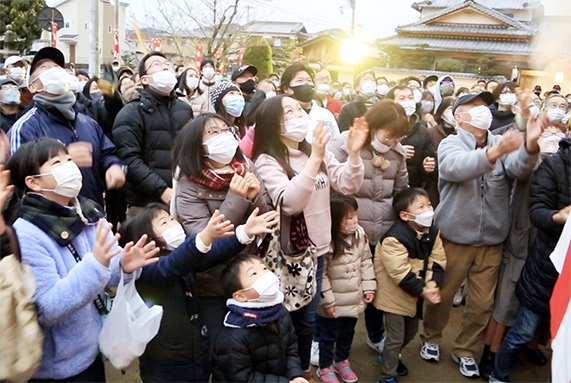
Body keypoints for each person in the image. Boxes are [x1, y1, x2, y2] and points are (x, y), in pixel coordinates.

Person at [7, 137, 159, 382]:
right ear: (33, 182)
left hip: (92, 348)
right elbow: (48, 308)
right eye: (57, 162)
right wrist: (96, 264)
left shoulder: (86, 211)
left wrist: (123, 265)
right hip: (58, 365)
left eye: (69, 159)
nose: (69, 166)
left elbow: (104, 272)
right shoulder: (26, 233)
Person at [419, 92, 544, 379]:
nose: (482, 111)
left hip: (492, 240)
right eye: (473, 107)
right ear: (457, 115)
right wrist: (493, 154)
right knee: (444, 294)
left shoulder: (501, 142)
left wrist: (531, 144)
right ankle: (431, 337)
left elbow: (521, 169)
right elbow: (455, 168)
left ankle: (464, 349)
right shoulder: (450, 143)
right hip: (454, 237)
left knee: (482, 303)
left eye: (483, 106)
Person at [252, 94, 368, 379]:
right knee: (283, 322)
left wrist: (353, 154)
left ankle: (301, 371)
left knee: (307, 322)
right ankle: (282, 372)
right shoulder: (268, 159)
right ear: (273, 123)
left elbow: (346, 182)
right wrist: (315, 157)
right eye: (288, 111)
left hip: (317, 253)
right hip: (288, 256)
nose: (298, 114)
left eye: (297, 108)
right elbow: (290, 202)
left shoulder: (314, 150)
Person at [118, 204, 278, 383]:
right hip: (165, 365)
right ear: (146, 237)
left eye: (172, 218)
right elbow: (171, 266)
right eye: (165, 222)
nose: (174, 223)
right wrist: (204, 237)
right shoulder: (146, 270)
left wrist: (244, 233)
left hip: (195, 354)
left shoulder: (182, 258)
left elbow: (211, 254)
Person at [329, 99, 409, 358]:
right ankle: (329, 344)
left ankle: (376, 337)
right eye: (388, 135)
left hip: (383, 232)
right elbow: (332, 187)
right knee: (340, 286)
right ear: (374, 126)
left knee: (374, 287)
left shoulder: (397, 154)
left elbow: (400, 192)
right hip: (348, 230)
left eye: (397, 137)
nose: (391, 141)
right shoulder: (345, 146)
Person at [488, 131, 569, 383]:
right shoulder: (555, 165)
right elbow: (537, 211)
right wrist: (558, 217)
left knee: (564, 341)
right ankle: (498, 375)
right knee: (522, 331)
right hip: (547, 264)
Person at [8, 47, 125, 208]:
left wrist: (114, 166)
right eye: (45, 68)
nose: (55, 70)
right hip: (48, 220)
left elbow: (107, 153)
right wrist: (63, 160)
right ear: (32, 87)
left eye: (58, 67)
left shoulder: (87, 122)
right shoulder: (25, 126)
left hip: (90, 215)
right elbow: (18, 178)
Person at [375, 188, 446, 383]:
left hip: (414, 295)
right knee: (396, 337)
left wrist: (432, 285)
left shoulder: (433, 232)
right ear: (405, 215)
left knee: (411, 332)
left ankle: (389, 355)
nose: (429, 210)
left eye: (429, 204)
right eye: (421, 207)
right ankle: (387, 375)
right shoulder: (393, 239)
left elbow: (437, 260)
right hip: (393, 296)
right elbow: (400, 273)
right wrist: (425, 290)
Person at [112, 51, 193, 217]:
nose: (165, 67)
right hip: (146, 203)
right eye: (156, 64)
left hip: (183, 198)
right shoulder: (131, 112)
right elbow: (129, 159)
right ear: (144, 79)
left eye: (167, 64)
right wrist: (161, 190)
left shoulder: (184, 109)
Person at [212, 254, 307, 383]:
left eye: (264, 268)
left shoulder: (280, 312)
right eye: (254, 273)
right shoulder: (233, 335)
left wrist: (295, 375)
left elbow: (291, 350)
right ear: (240, 296)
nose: (265, 275)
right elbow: (242, 378)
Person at [316, 193, 376, 383]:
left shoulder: (359, 234)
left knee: (348, 333)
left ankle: (341, 360)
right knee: (328, 336)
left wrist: (369, 287)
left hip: (353, 299)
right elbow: (321, 274)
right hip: (332, 303)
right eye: (349, 217)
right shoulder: (325, 242)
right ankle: (325, 366)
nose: (355, 220)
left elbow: (366, 261)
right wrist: (327, 301)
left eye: (355, 215)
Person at [386, 86, 436, 189]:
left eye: (410, 98)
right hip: (386, 186)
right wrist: (397, 151)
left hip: (413, 187)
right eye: (402, 98)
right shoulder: (383, 129)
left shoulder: (423, 131)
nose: (407, 102)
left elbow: (430, 156)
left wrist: (428, 166)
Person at [280, 62, 340, 142]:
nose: (306, 84)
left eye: (309, 80)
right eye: (299, 80)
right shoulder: (279, 114)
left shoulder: (325, 114)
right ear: (286, 89)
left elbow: (337, 143)